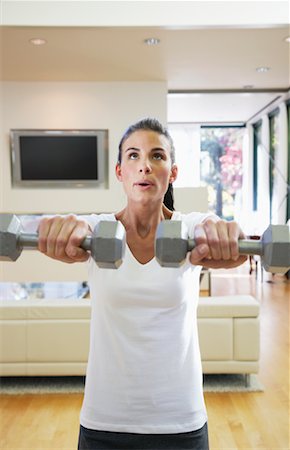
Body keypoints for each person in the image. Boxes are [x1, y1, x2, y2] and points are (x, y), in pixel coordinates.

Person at [37, 118, 247, 450]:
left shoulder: (191, 228)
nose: (144, 166)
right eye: (133, 156)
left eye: (157, 156)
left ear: (172, 172)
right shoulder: (98, 228)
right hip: (104, 420)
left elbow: (227, 240)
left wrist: (227, 235)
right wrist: (62, 228)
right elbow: (76, 227)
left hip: (180, 419)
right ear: (120, 171)